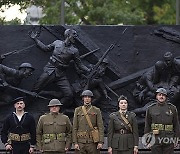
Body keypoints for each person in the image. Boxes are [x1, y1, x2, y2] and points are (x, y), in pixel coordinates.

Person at [29, 29, 89, 107]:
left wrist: (88, 70)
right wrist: (35, 39)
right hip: (49, 70)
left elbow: (80, 65)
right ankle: (26, 104)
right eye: (74, 34)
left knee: (69, 95)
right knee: (35, 89)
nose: (76, 36)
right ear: (68, 35)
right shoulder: (57, 43)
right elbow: (45, 48)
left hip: (61, 74)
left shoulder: (74, 51)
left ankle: (55, 109)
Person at [144, 88, 180, 154]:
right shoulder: (150, 108)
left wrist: (176, 139)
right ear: (156, 96)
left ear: (166, 97)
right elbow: (147, 125)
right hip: (155, 139)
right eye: (159, 95)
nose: (161, 96)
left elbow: (176, 125)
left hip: (169, 139)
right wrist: (147, 140)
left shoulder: (172, 108)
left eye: (163, 95)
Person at [72, 90, 104, 154]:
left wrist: (100, 142)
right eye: (85, 97)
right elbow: (75, 127)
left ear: (91, 99)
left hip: (92, 142)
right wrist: (75, 142)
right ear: (83, 98)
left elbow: (100, 127)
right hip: (80, 142)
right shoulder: (78, 110)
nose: (87, 99)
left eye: (89, 97)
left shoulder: (96, 110)